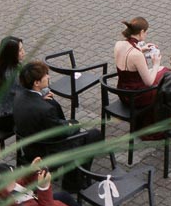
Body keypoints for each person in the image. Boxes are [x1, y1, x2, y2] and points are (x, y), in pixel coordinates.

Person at [13, 59, 103, 189]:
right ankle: (73, 182)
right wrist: (71, 126)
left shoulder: (19, 96)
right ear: (36, 83)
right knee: (93, 135)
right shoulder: (45, 110)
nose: (48, 77)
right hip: (45, 150)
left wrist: (40, 99)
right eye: (45, 76)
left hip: (27, 144)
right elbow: (60, 132)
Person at [114, 18, 167, 130]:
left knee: (161, 72)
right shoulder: (136, 55)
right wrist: (156, 64)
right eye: (146, 32)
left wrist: (142, 49)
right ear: (142, 32)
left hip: (122, 92)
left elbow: (128, 57)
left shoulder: (119, 44)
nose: (146, 34)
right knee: (165, 72)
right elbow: (149, 82)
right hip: (136, 97)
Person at [0, 37, 25, 137]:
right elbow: (27, 92)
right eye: (20, 50)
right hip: (6, 119)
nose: (23, 52)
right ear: (11, 54)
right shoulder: (12, 75)